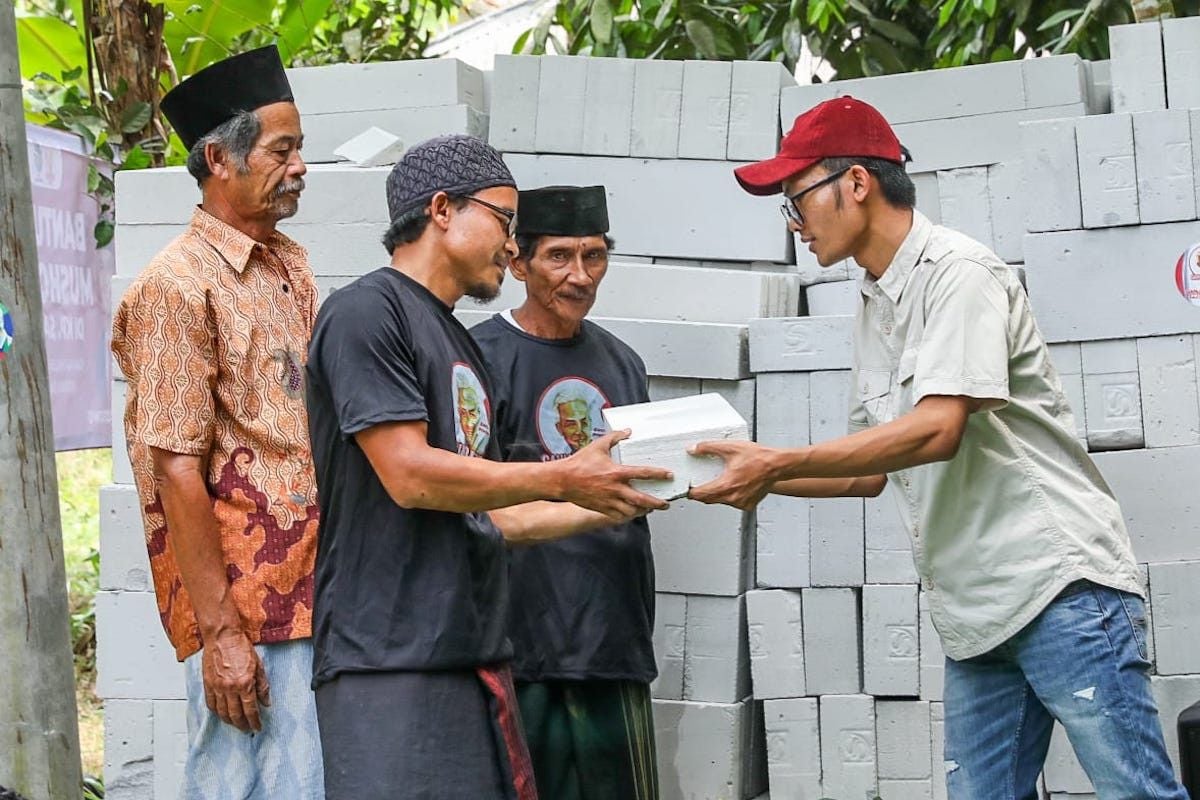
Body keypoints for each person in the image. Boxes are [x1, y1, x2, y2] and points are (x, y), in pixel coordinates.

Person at [690, 96, 1188, 799]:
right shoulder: (872, 301)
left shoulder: (961, 273)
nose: (794, 223)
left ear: (856, 184)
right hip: (974, 617)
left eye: (796, 198)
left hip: (1057, 589)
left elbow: (937, 428)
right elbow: (871, 470)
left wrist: (779, 463)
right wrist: (753, 474)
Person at [304, 138, 671, 800]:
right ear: (442, 210)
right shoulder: (366, 312)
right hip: (391, 660)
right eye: (505, 221)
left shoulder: (454, 338)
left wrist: (610, 495)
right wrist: (561, 477)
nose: (511, 245)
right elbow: (410, 474)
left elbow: (495, 513)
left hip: (472, 654)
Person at [111, 46, 324, 798]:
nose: (300, 166)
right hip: (248, 604)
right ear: (218, 159)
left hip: (315, 588)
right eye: (282, 150)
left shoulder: (290, 264)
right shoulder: (175, 286)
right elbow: (174, 467)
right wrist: (222, 635)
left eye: (300, 148)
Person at [471, 185, 659, 800]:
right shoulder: (477, 358)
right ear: (517, 262)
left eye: (595, 255)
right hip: (517, 643)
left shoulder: (623, 362)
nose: (580, 275)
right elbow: (469, 500)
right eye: (559, 257)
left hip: (612, 638)